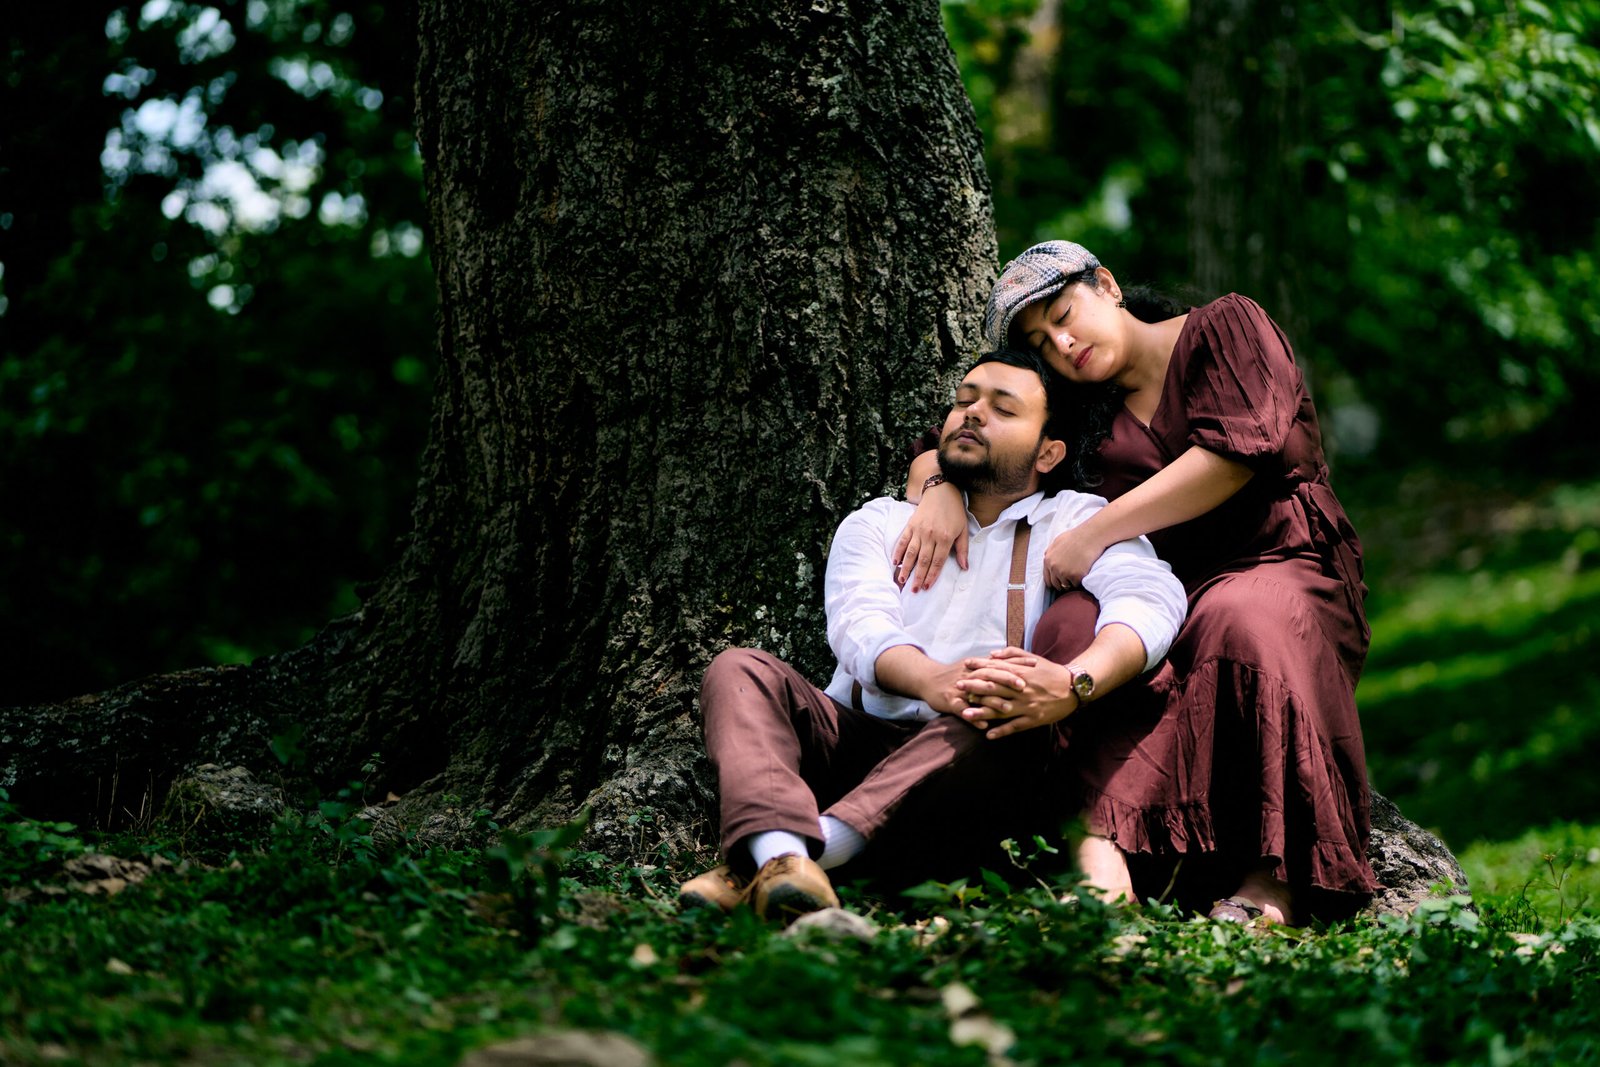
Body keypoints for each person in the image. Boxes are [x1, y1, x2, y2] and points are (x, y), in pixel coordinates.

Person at [900, 241, 1376, 924]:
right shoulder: (1085, 414)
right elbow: (966, 444)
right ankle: (1099, 855)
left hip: (1285, 565)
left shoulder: (1226, 327)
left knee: (1241, 614)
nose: (1063, 344)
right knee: (1070, 622)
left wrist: (1096, 532)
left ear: (1108, 285)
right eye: (1041, 341)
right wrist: (943, 482)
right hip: (1168, 595)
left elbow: (1237, 454)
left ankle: (1271, 880)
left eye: (1065, 315)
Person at [681, 348, 1187, 921]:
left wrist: (1074, 680)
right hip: (855, 743)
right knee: (740, 671)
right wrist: (930, 679)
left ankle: (791, 856)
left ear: (1048, 452)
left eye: (1002, 409)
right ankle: (788, 861)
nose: (971, 414)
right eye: (964, 400)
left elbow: (1151, 598)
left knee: (1003, 710)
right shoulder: (881, 521)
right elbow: (858, 625)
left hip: (970, 771)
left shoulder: (1072, 521)